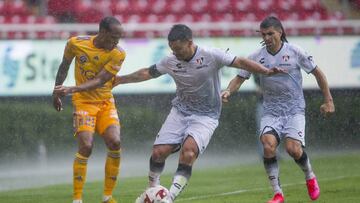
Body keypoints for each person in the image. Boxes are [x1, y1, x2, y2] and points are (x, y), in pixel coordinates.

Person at [112, 24, 284, 202]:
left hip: (206, 116)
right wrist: (120, 80)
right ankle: (151, 191)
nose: (175, 53)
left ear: (189, 42)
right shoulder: (170, 60)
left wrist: (266, 71)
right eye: (172, 49)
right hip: (180, 112)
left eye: (178, 49)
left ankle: (168, 197)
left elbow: (240, 62)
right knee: (158, 152)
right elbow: (148, 72)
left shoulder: (211, 55)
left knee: (189, 152)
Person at [221, 16, 335, 203]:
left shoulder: (295, 52)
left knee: (293, 149)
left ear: (280, 32)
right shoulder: (256, 56)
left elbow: (318, 73)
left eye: (270, 33)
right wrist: (227, 91)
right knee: (268, 145)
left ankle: (309, 176)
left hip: (294, 110)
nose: (266, 37)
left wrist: (328, 100)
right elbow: (240, 77)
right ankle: (278, 194)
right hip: (271, 111)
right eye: (263, 34)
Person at [52, 16, 125, 203]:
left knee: (115, 142)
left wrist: (72, 88)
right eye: (114, 37)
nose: (116, 42)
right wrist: (56, 91)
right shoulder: (75, 43)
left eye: (119, 38)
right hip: (83, 103)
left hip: (105, 102)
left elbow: (100, 80)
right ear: (103, 32)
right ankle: (77, 199)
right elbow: (64, 67)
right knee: (86, 146)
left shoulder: (118, 53)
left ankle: (107, 197)